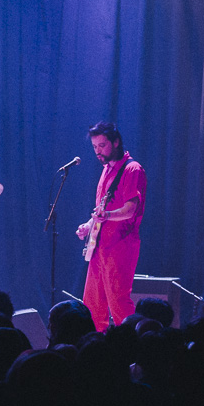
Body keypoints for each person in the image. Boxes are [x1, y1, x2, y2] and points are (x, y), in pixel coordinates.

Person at [75, 122, 146, 331]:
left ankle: (132, 348)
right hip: (99, 247)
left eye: (102, 146)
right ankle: (96, 348)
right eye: (95, 147)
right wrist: (89, 225)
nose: (98, 151)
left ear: (116, 142)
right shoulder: (106, 169)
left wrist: (106, 216)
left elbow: (131, 209)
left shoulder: (132, 169)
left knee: (119, 303)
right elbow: (102, 208)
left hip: (120, 246)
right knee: (92, 305)